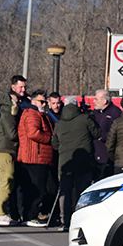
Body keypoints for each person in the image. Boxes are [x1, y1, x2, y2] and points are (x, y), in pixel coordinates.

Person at [50, 99, 100, 231]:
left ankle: (64, 221)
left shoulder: (59, 123)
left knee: (64, 193)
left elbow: (54, 144)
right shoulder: (85, 119)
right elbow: (97, 134)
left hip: (65, 162)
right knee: (82, 193)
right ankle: (80, 220)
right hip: (84, 162)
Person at [18, 90, 56, 226]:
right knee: (37, 189)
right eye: (42, 101)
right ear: (33, 101)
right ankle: (30, 216)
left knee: (45, 187)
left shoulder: (41, 114)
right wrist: (50, 139)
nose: (44, 104)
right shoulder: (31, 113)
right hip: (34, 157)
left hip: (41, 157)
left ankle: (35, 214)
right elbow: (33, 133)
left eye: (45, 101)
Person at [0, 88, 21, 225]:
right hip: (5, 152)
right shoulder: (6, 115)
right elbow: (12, 134)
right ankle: (0, 213)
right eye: (15, 100)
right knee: (5, 183)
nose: (18, 103)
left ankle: (2, 212)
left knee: (4, 182)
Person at [90, 89, 121, 180]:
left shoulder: (115, 112)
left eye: (96, 99)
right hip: (94, 155)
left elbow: (118, 132)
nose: (94, 101)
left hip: (107, 155)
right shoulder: (95, 112)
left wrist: (104, 136)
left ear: (104, 101)